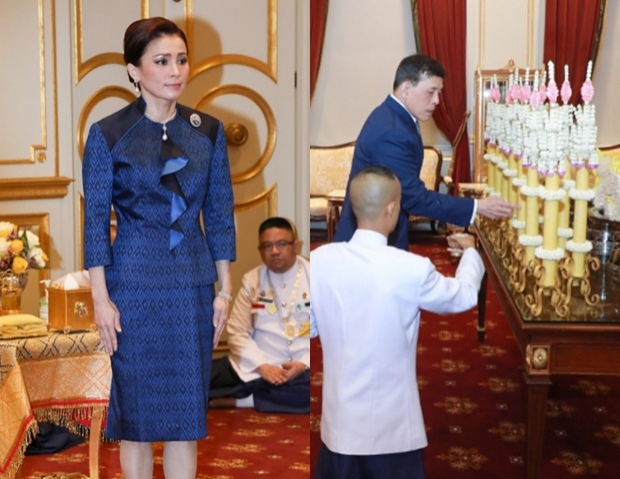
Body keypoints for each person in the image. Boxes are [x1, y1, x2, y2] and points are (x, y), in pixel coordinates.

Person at [82, 17, 235, 479]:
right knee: (138, 421)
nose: (176, 71)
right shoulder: (108, 133)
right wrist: (100, 298)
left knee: (186, 421)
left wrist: (224, 289)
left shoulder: (207, 130)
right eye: (162, 61)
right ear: (134, 70)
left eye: (182, 60)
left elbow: (221, 214)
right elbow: (93, 224)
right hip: (133, 289)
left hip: (191, 285)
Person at [310, 166, 485, 478]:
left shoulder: (322, 260)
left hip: (339, 426)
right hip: (391, 430)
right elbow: (464, 295)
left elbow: (307, 326)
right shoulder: (412, 268)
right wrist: (470, 253)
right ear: (391, 208)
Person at [333, 53, 518, 250]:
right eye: (431, 92)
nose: (437, 100)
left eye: (439, 92)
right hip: (368, 246)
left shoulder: (396, 118)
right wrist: (478, 207)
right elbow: (413, 197)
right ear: (406, 89)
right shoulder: (392, 131)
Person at [209, 217, 310, 413]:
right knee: (198, 379)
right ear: (260, 250)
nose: (274, 251)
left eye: (281, 244)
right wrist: (262, 367)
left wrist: (303, 363)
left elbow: (326, 332)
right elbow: (237, 332)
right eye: (267, 246)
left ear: (295, 246)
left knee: (313, 390)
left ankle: (243, 401)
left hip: (300, 369)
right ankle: (262, 396)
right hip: (256, 366)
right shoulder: (251, 280)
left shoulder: (314, 277)